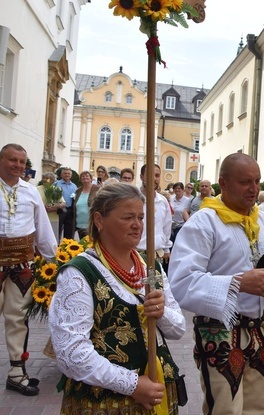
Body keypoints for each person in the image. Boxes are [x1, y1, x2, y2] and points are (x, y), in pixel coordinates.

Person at [49, 182, 186, 413]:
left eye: (141, 218)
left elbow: (178, 329)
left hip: (157, 392)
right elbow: (71, 353)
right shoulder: (79, 273)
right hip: (103, 402)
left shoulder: (150, 265)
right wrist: (132, 385)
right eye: (127, 218)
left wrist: (162, 313)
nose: (137, 226)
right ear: (99, 220)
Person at [169, 153, 264, 415]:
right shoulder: (204, 222)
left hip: (263, 329)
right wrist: (240, 283)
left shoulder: (263, 221)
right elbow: (181, 282)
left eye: (257, 181)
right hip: (221, 332)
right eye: (245, 182)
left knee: (256, 409)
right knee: (226, 410)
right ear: (223, 183)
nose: (254, 189)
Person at [0, 143, 57, 395]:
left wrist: (53, 259)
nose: (18, 165)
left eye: (22, 162)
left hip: (22, 266)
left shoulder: (31, 192)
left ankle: (16, 372)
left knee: (17, 318)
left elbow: (42, 227)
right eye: (13, 160)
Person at [137, 164, 172, 266]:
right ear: (141, 177)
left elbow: (167, 226)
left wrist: (166, 249)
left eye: (157, 175)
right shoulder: (133, 199)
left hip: (156, 254)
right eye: (150, 175)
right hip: (136, 253)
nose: (154, 179)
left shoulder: (163, 201)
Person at [37, 172, 65, 240]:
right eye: (43, 178)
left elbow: (63, 203)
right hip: (40, 218)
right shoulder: (36, 189)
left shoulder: (56, 189)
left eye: (47, 178)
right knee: (40, 239)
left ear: (52, 180)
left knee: (52, 239)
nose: (45, 180)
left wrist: (56, 206)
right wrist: (43, 207)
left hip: (53, 218)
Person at [72, 170, 99, 239]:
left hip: (92, 223)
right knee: (83, 244)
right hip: (80, 223)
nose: (85, 177)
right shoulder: (78, 191)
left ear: (91, 178)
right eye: (83, 176)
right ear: (80, 179)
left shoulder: (97, 189)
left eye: (87, 176)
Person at [55, 167, 77, 240]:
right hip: (60, 210)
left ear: (70, 175)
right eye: (65, 173)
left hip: (70, 211)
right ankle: (56, 247)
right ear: (61, 175)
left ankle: (67, 247)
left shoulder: (74, 186)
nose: (67, 175)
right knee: (57, 230)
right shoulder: (56, 184)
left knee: (69, 231)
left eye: (68, 174)